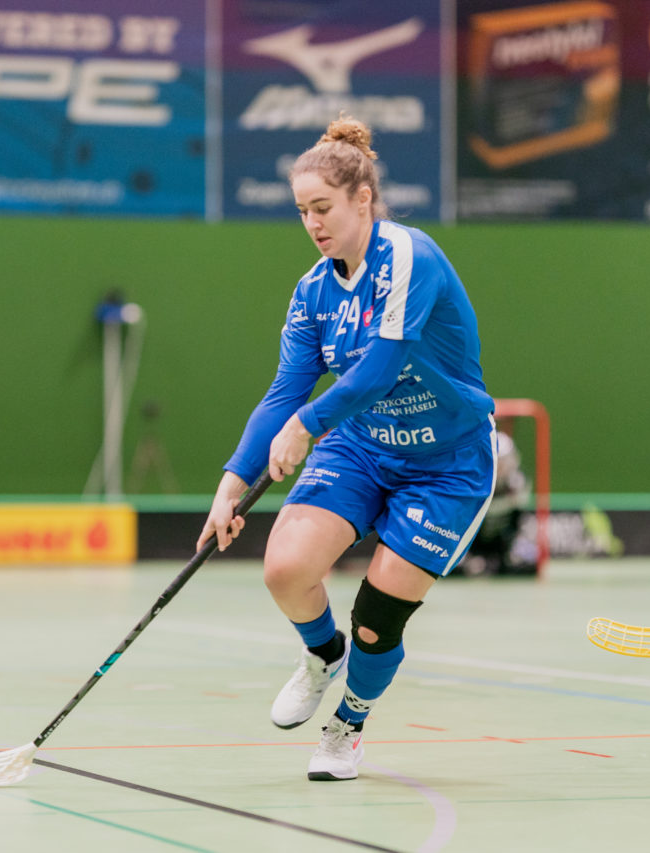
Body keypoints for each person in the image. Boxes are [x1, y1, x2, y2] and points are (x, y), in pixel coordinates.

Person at [196, 116, 496, 781]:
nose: (312, 222)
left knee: (379, 611)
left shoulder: (408, 256)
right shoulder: (313, 292)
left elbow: (381, 367)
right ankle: (319, 653)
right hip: (364, 445)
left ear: (363, 198)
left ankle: (347, 724)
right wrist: (232, 481)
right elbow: (285, 390)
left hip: (447, 464)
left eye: (322, 207)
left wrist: (306, 425)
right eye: (302, 210)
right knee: (285, 568)